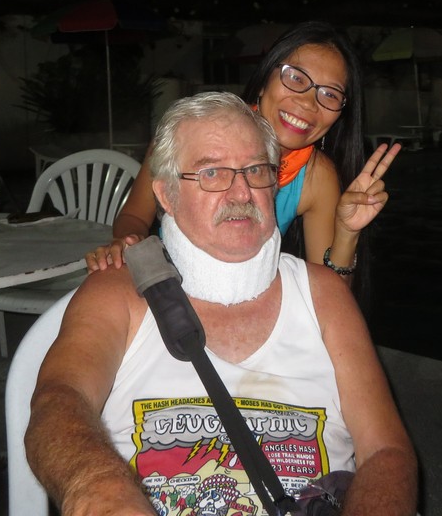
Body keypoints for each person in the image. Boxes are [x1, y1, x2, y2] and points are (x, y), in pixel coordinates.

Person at [26, 92, 418, 516]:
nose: (242, 192)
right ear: (166, 195)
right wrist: (100, 492)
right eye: (212, 172)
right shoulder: (117, 291)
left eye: (256, 170)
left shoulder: (325, 295)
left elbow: (386, 451)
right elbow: (58, 402)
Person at [87, 21, 399, 293]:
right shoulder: (189, 134)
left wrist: (347, 234)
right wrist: (128, 243)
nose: (307, 103)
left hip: (248, 297)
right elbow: (134, 216)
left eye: (330, 94)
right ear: (264, 81)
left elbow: (331, 295)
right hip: (168, 287)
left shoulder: (316, 177)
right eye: (296, 78)